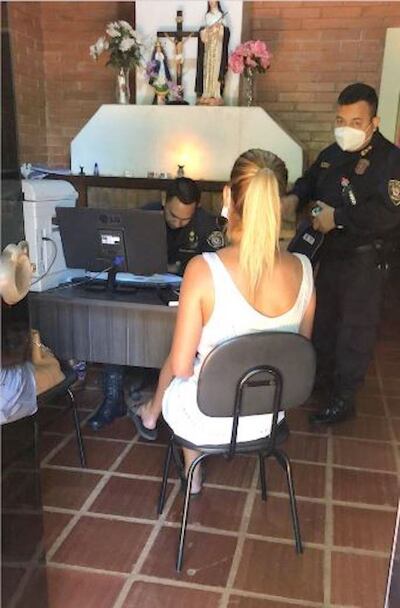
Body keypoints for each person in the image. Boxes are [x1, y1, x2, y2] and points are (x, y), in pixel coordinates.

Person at [130, 149, 316, 493]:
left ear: (228, 196)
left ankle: (192, 471)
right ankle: (157, 417)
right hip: (268, 419)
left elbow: (181, 367)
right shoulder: (304, 269)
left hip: (208, 418)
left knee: (178, 366)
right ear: (279, 202)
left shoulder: (204, 269)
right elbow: (297, 354)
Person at [281, 82, 400, 425]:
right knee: (325, 321)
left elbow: (389, 214)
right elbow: (310, 181)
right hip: (330, 253)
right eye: (341, 120)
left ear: (374, 122)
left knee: (354, 329)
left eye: (356, 122)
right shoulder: (332, 154)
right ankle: (321, 382)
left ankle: (344, 398)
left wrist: (339, 218)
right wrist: (294, 198)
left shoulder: (391, 160)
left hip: (365, 260)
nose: (346, 128)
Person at [88, 177, 226, 432]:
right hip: (143, 291)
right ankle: (113, 396)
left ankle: (158, 395)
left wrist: (175, 268)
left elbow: (214, 267)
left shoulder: (208, 226)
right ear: (164, 202)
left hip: (185, 298)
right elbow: (121, 255)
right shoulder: (144, 218)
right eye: (173, 215)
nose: (178, 223)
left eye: (185, 218)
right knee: (114, 317)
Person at [195, 1, 230, 105]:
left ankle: (216, 93)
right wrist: (206, 31)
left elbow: (226, 32)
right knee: (207, 69)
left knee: (216, 69)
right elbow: (202, 32)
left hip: (218, 47)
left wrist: (220, 28)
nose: (211, 2)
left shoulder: (221, 15)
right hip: (208, 47)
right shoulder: (207, 16)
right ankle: (206, 92)